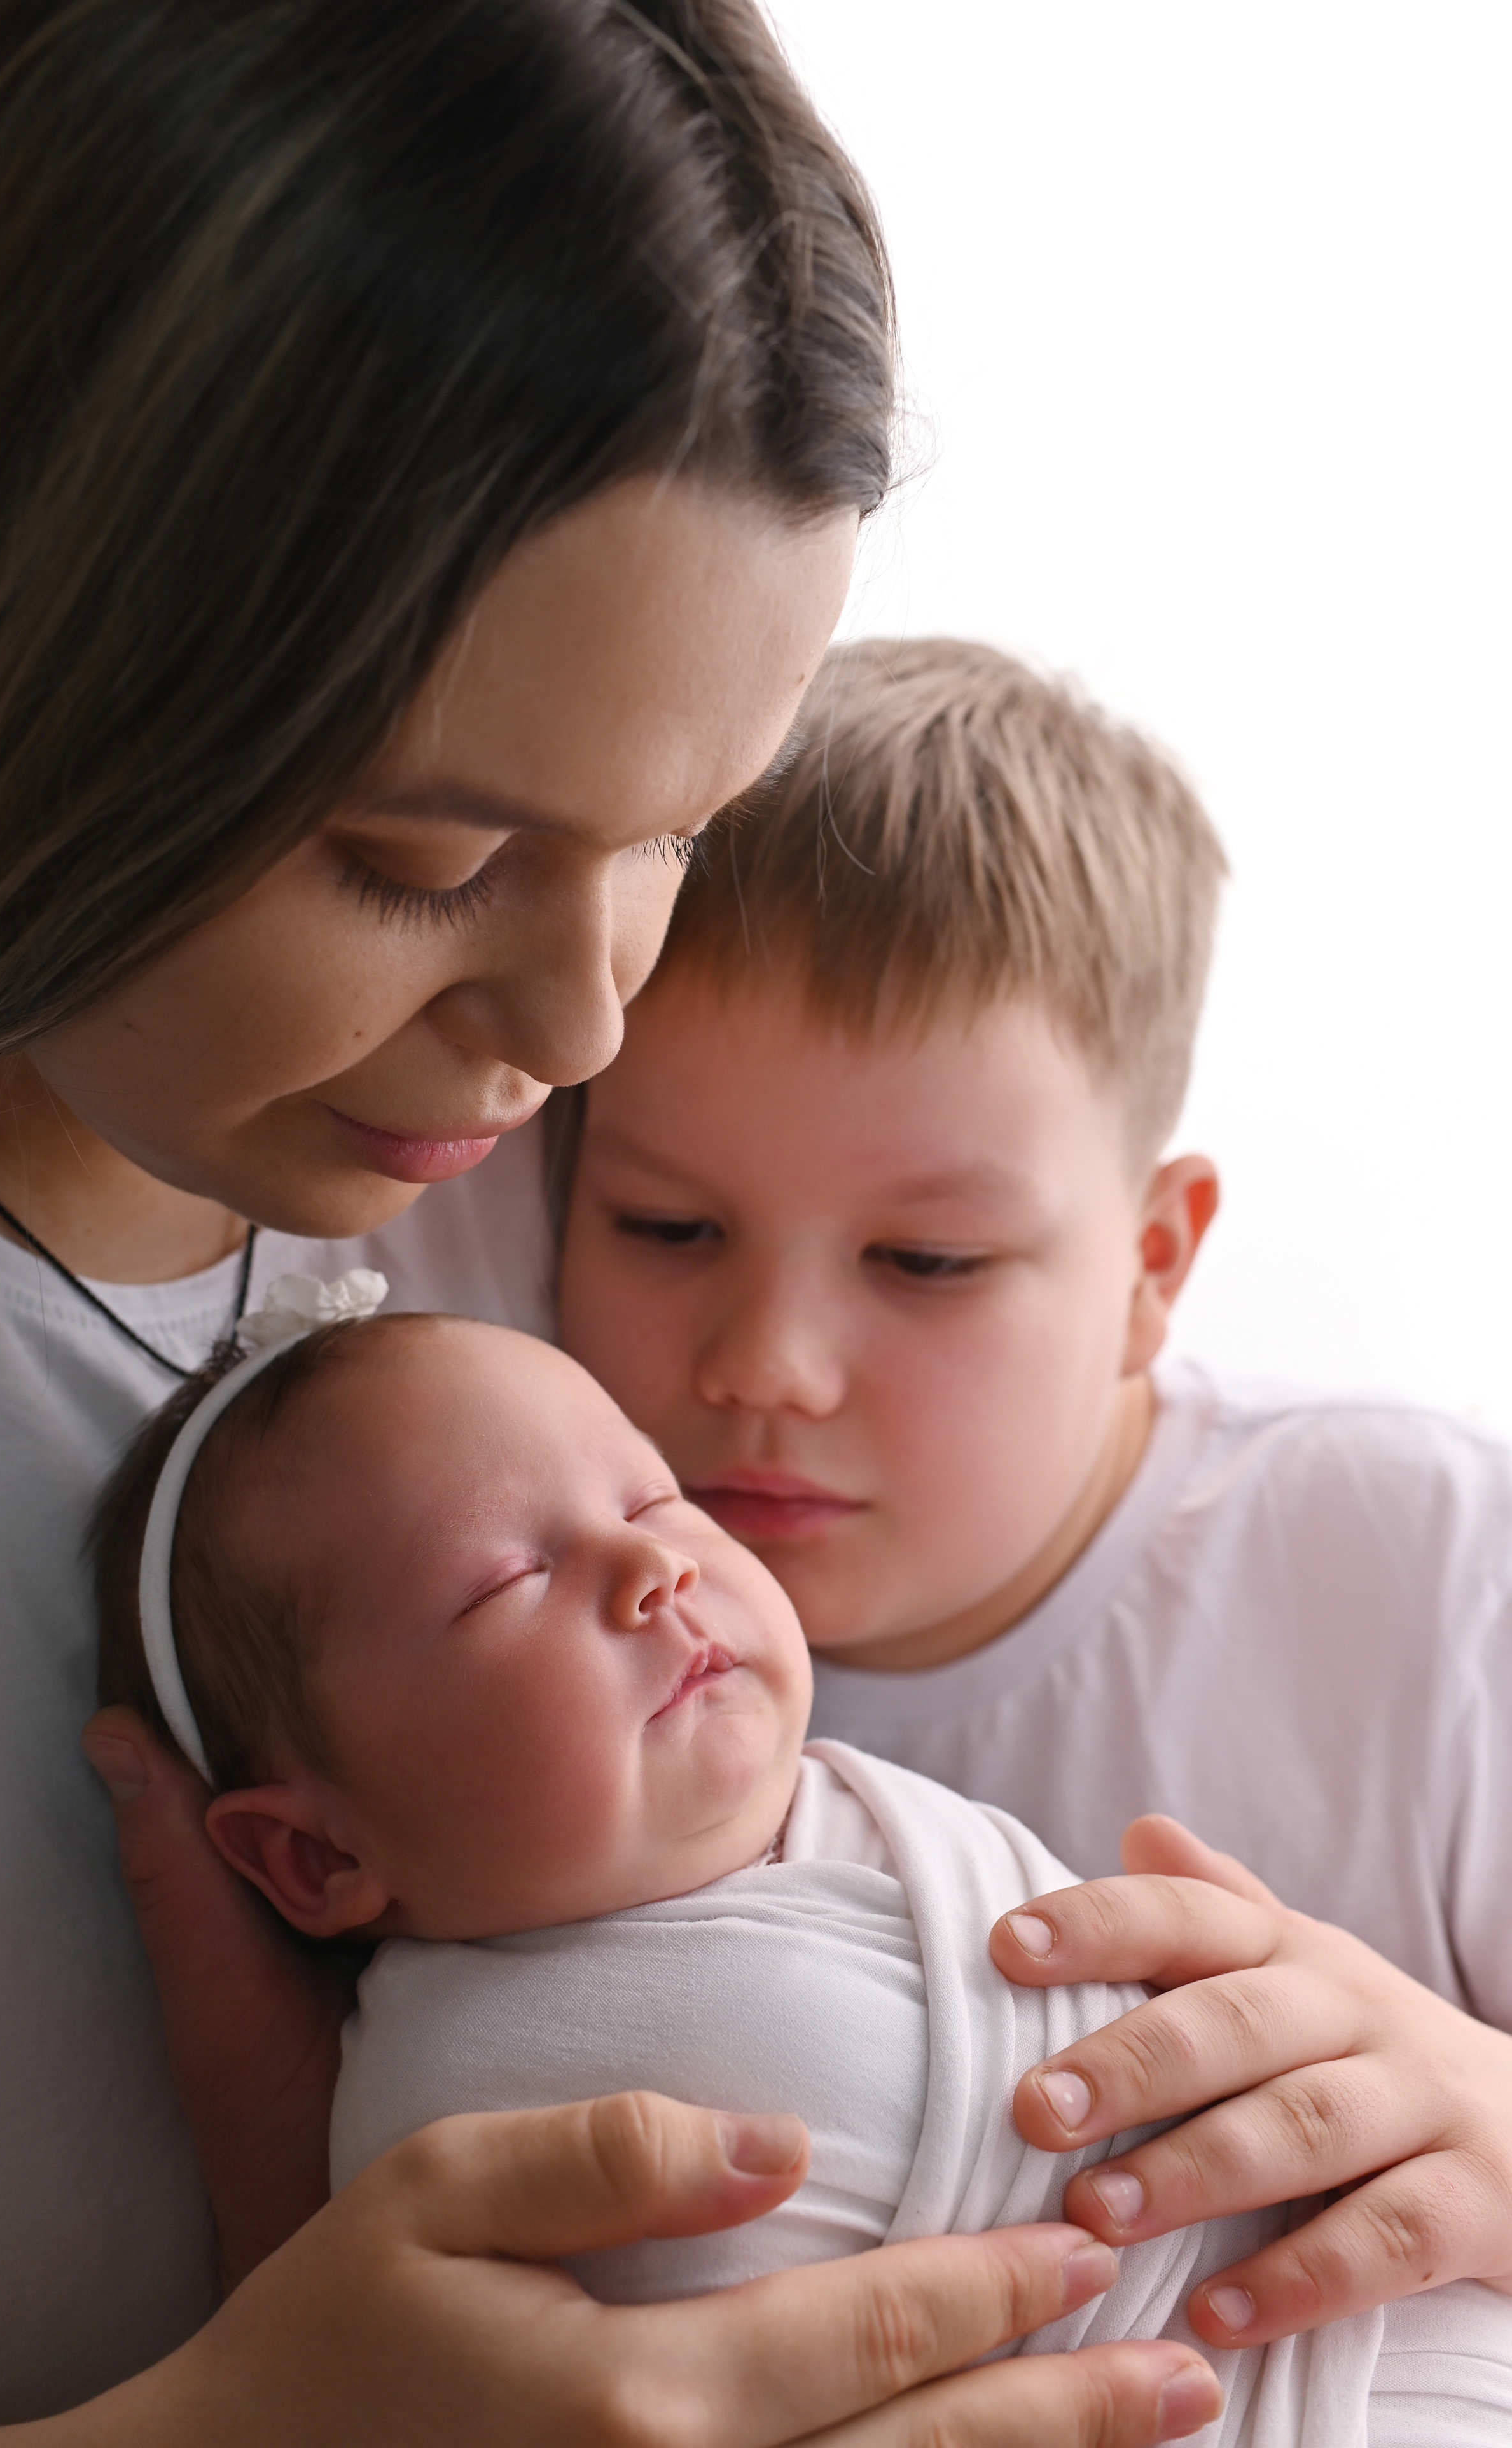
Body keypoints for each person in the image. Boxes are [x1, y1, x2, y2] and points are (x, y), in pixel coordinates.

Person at [0, 3, 1230, 2438]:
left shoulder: (571, 1200)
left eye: (685, 822)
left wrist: (1429, 2095)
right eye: (426, 860)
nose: (587, 1020)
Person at [557, 636, 1512, 2368]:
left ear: (1153, 1265)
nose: (767, 1364)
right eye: (666, 1228)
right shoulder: (530, 1638)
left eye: (925, 1261)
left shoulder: (1428, 1563)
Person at [90, 1288, 1508, 2446]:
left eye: (653, 1498)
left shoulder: (866, 1813)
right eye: (505, 1581)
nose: (652, 1569)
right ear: (317, 1852)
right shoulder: (457, 2128)